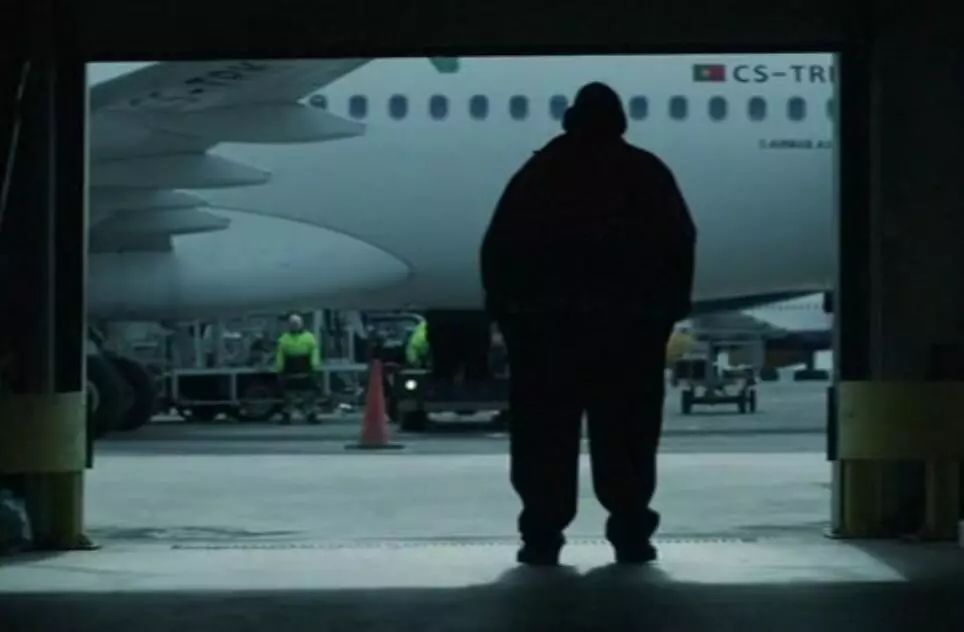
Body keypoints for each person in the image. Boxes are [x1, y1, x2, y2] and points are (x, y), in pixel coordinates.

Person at [480, 82, 696, 566]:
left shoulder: (539, 174)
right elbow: (678, 244)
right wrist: (661, 314)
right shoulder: (645, 173)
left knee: (543, 438)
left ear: (570, 119)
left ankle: (542, 534)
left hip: (546, 334)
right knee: (628, 437)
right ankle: (630, 531)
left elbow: (500, 249)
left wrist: (511, 317)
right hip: (628, 334)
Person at [275, 313, 323, 424]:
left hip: (305, 369)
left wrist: (315, 365)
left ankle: (310, 415)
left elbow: (314, 351)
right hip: (290, 370)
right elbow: (280, 354)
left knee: (309, 395)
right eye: (292, 324)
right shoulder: (284, 338)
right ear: (289, 325)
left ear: (301, 324)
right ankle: (286, 416)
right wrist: (279, 368)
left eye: (296, 323)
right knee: (289, 396)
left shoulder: (309, 337)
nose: (294, 325)